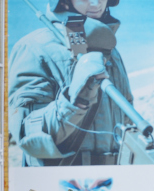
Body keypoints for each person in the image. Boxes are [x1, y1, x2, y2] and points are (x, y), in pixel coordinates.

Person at [8, 0, 132, 166]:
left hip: (112, 180)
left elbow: (126, 118)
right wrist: (76, 100)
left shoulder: (112, 52)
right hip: (63, 181)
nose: (96, 1)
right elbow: (27, 134)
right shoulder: (33, 49)